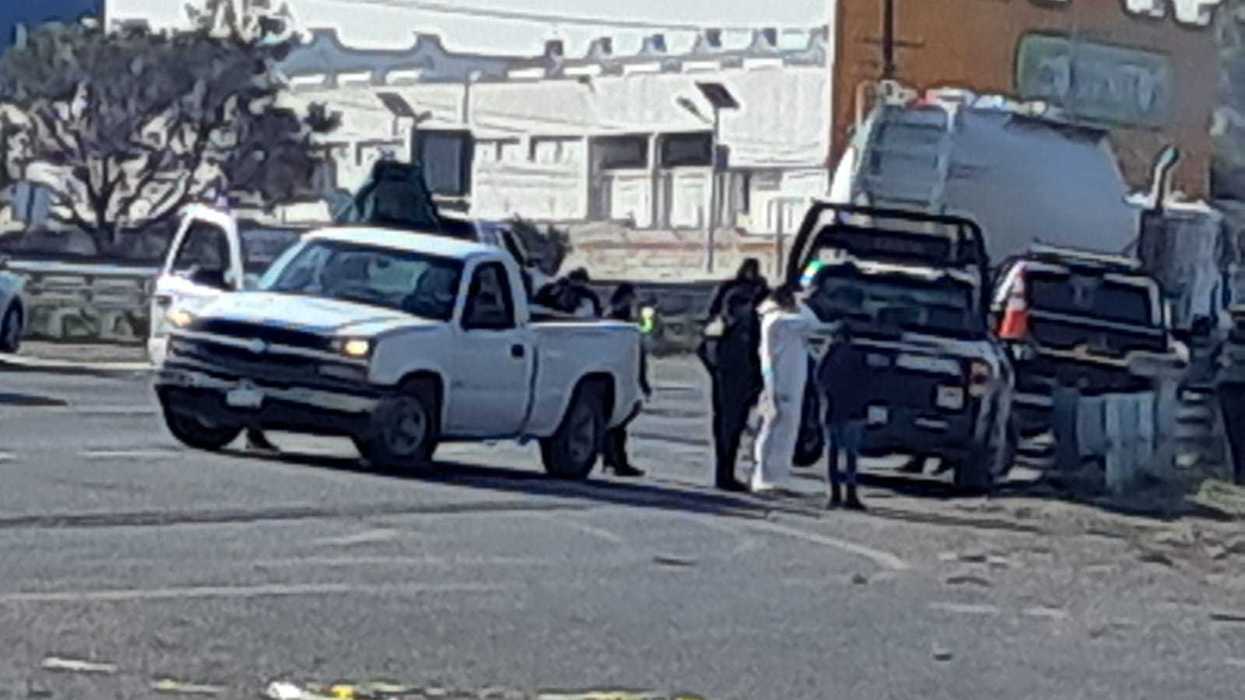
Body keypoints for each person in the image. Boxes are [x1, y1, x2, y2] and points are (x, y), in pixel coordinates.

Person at [699, 258, 770, 492]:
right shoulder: (746, 297)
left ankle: (725, 472)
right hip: (736, 369)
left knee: (727, 423)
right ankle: (725, 473)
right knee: (730, 423)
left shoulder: (732, 294)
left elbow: (707, 340)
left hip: (732, 368)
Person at [751, 283, 812, 494]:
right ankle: (764, 476)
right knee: (772, 429)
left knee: (786, 431)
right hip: (779, 382)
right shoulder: (777, 320)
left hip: (791, 382)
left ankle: (777, 476)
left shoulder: (784, 320)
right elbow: (810, 322)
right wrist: (804, 302)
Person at [818, 324, 869, 511]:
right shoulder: (857, 355)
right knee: (850, 456)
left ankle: (834, 494)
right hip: (853, 411)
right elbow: (866, 383)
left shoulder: (827, 356)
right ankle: (851, 495)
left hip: (832, 410)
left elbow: (819, 380)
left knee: (832, 453)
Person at [602, 283, 648, 478]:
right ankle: (616, 460)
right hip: (619, 372)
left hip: (621, 372)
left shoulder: (615, 315)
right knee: (617, 421)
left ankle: (611, 459)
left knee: (617, 421)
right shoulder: (618, 319)